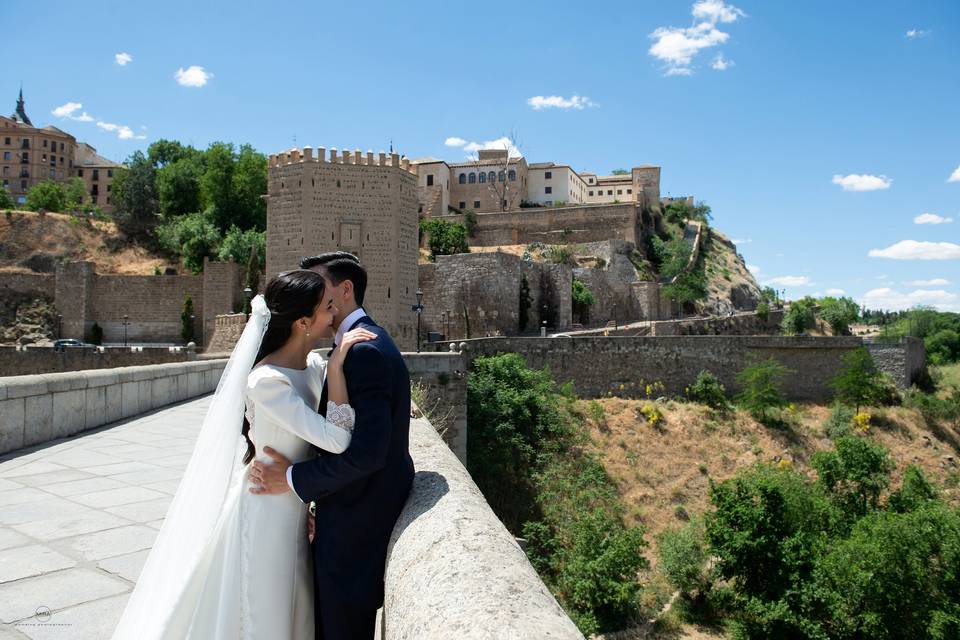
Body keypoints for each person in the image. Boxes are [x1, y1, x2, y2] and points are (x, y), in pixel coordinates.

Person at [112, 269, 374, 640]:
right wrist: (336, 366)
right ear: (302, 322)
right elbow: (336, 440)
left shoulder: (311, 368)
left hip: (293, 507)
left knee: (290, 603)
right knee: (263, 607)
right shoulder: (269, 382)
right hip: (266, 509)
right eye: (327, 307)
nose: (335, 315)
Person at [249, 252, 415, 640]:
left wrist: (293, 480)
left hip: (353, 529)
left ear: (344, 290)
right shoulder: (342, 353)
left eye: (321, 290)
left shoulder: (364, 351)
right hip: (322, 517)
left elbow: (368, 452)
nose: (316, 298)